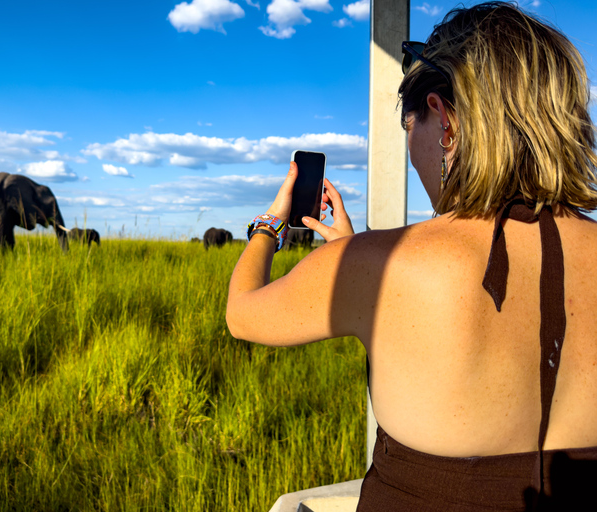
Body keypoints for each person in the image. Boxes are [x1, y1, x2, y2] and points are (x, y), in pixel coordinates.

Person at [226, 2, 597, 510]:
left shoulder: (375, 264)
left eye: (410, 125)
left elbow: (242, 313)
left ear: (443, 119)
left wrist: (271, 223)